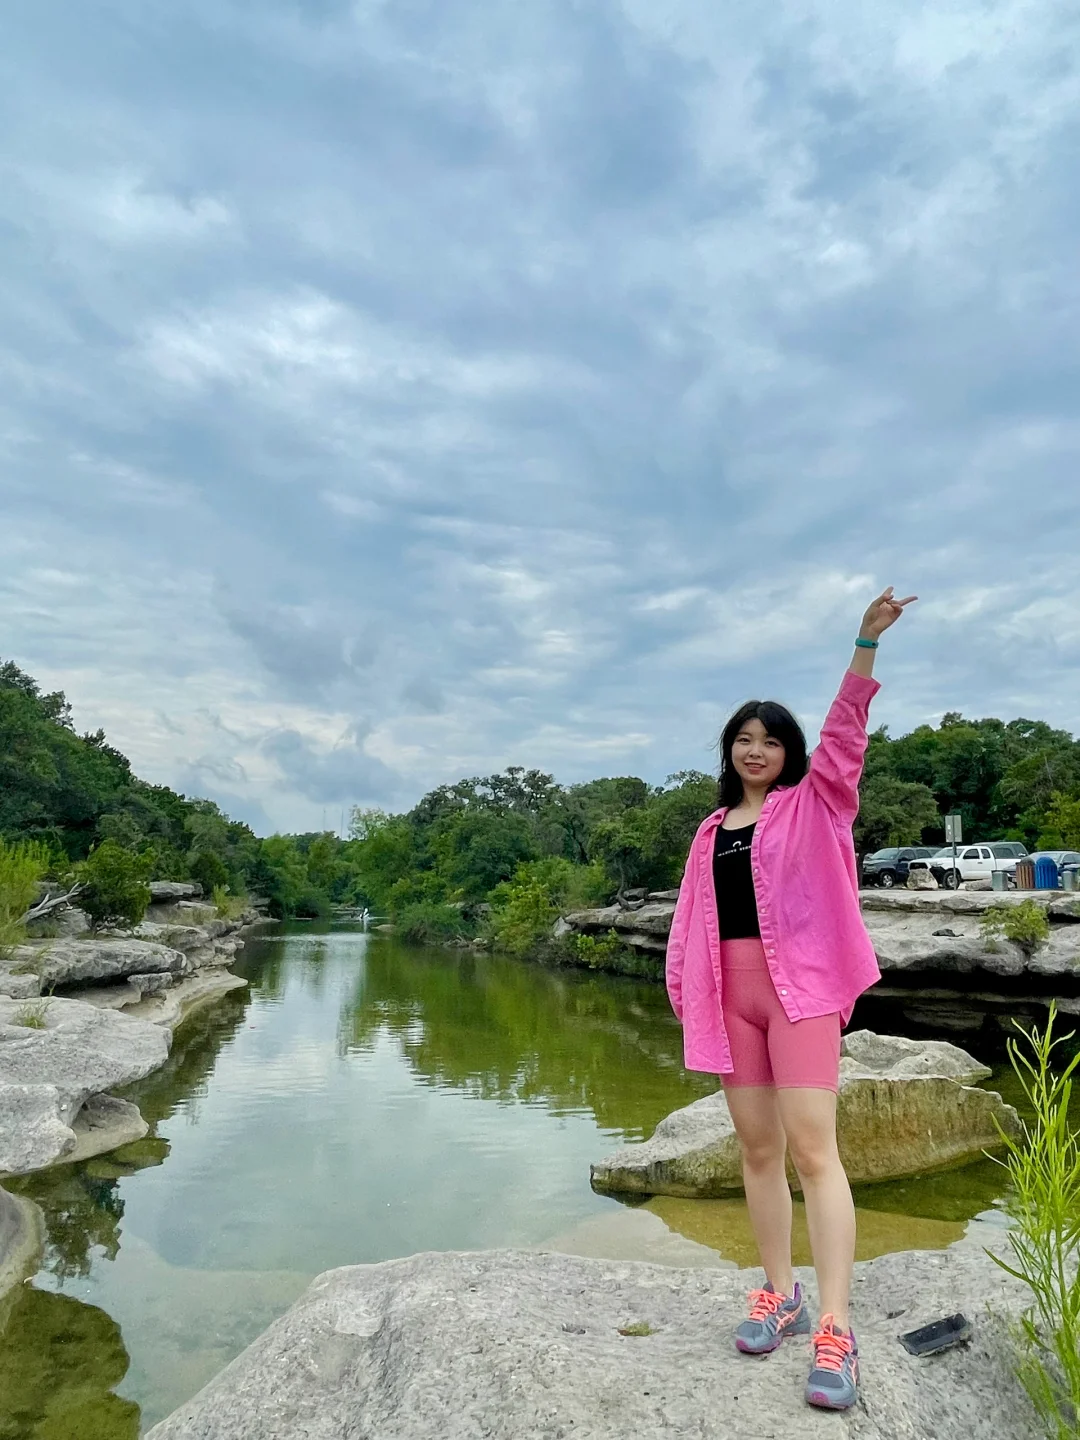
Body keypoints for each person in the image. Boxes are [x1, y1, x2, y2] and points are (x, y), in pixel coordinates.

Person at [665, 586, 916, 1412]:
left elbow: (846, 736)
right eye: (744, 739)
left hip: (799, 993)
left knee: (815, 1153)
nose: (755, 750)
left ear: (790, 751)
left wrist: (864, 643)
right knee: (758, 1152)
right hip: (730, 998)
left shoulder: (819, 803)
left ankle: (836, 1325)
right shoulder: (709, 830)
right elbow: (692, 923)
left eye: (770, 741)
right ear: (728, 750)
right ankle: (780, 1293)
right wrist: (686, 996)